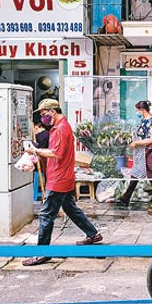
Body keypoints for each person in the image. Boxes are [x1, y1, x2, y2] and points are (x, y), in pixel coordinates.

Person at [23, 99, 103, 267]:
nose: (43, 118)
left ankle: (42, 253)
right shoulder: (61, 126)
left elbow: (56, 153)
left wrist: (36, 150)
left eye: (44, 114)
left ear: (53, 111)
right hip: (63, 176)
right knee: (70, 208)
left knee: (46, 215)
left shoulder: (60, 129)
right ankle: (93, 234)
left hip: (58, 178)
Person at [119, 101, 152, 205]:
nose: (137, 112)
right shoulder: (143, 119)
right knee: (136, 172)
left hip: (148, 151)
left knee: (151, 175)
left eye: (138, 110)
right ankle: (126, 197)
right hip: (141, 151)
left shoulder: (151, 121)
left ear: (142, 110)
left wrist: (136, 142)